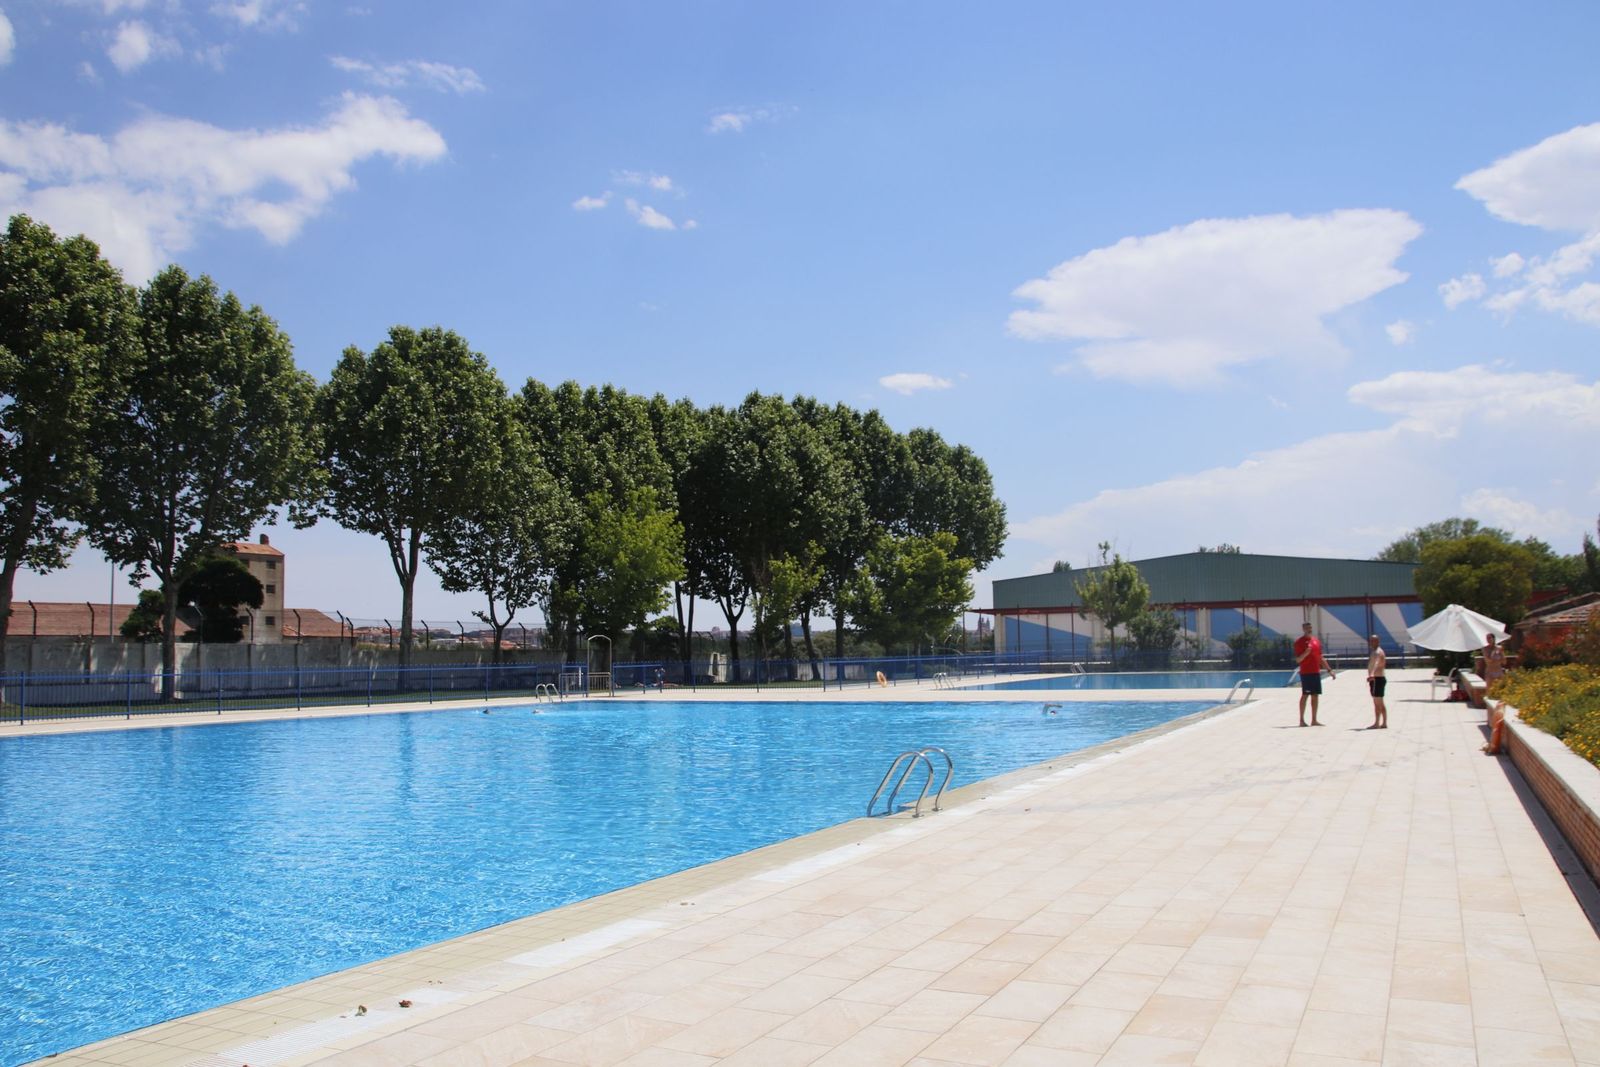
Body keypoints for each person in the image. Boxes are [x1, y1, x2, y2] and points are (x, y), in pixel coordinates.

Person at [1294, 621, 1335, 726]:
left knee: (1315, 696)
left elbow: (1320, 658)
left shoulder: (1316, 641)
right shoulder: (1299, 642)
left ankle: (1314, 720)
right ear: (1303, 629)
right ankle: (1302, 720)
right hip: (1306, 673)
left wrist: (1329, 670)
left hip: (1315, 672)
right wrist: (1306, 653)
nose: (1309, 629)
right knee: (1305, 695)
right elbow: (1298, 660)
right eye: (1307, 628)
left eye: (1310, 627)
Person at [1365, 634, 1387, 729]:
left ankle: (1378, 723)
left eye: (1373, 640)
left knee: (1378, 702)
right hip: (1377, 679)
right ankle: (1383, 722)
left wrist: (1372, 674)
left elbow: (1377, 663)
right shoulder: (1375, 651)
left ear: (1378, 641)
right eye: (1370, 640)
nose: (1371, 642)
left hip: (1377, 679)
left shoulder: (1378, 652)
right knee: (1379, 702)